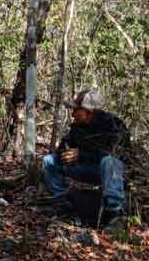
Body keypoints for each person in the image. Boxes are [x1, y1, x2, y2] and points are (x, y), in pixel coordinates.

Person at [42, 89, 130, 228]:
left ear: (89, 111)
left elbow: (117, 155)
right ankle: (63, 203)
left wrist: (81, 155)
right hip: (83, 169)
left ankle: (115, 213)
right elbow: (62, 149)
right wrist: (64, 154)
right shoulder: (77, 128)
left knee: (109, 162)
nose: (73, 114)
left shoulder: (115, 126)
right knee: (48, 161)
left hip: (108, 174)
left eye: (77, 110)